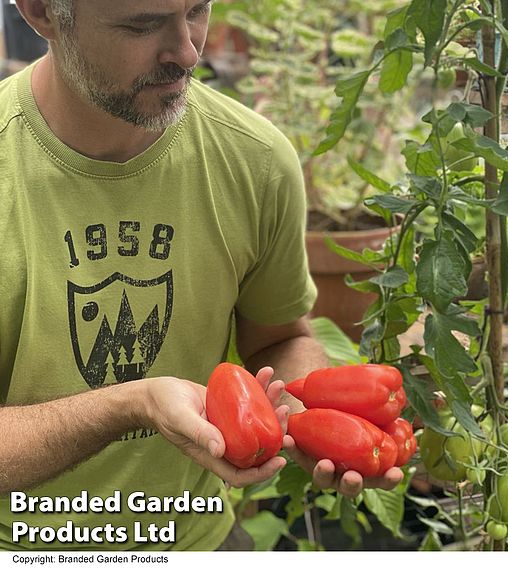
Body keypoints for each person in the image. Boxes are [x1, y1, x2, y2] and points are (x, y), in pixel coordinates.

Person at [0, 0, 403, 552]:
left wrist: (303, 409)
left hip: (200, 537)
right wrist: (131, 404)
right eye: (142, 25)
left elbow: (281, 336)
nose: (189, 51)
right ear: (42, 12)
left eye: (197, 10)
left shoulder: (255, 160)